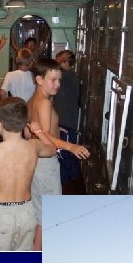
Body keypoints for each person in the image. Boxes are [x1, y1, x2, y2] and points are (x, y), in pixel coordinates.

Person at [27, 58, 91, 251]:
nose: (58, 84)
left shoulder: (34, 99)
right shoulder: (44, 102)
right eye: (53, 80)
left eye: (59, 80)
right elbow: (44, 135)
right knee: (47, 215)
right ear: (39, 79)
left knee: (40, 213)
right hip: (45, 164)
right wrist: (70, 147)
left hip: (38, 162)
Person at [0, 97, 55, 251]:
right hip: (27, 212)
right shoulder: (33, 146)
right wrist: (38, 131)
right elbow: (52, 149)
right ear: (24, 124)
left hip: (1, 214)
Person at [53, 50, 81, 184]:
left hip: (67, 120)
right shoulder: (65, 76)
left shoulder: (67, 76)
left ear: (65, 61)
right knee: (65, 152)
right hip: (64, 119)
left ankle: (69, 182)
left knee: (66, 154)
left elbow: (52, 68)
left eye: (59, 60)